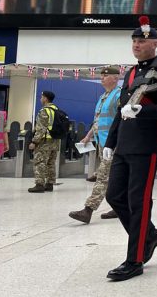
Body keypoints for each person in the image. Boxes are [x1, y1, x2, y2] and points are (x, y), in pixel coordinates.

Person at [103, 17, 157, 281]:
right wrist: (110, 142)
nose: (136, 44)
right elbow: (120, 112)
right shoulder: (132, 73)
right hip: (125, 142)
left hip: (147, 145)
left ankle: (134, 259)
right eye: (134, 40)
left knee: (138, 202)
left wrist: (142, 110)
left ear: (155, 44)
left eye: (142, 40)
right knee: (114, 196)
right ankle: (150, 235)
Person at [68, 66, 122, 223]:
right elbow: (98, 120)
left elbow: (122, 119)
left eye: (106, 76)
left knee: (103, 177)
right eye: (102, 76)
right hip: (101, 143)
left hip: (113, 144)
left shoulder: (119, 95)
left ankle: (88, 210)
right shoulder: (103, 96)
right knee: (112, 177)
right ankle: (119, 207)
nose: (102, 78)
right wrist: (88, 136)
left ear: (116, 78)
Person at [27, 91, 61, 193]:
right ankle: (49, 184)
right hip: (55, 141)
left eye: (41, 97)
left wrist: (34, 142)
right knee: (51, 163)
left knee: (40, 162)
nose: (40, 99)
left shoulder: (44, 111)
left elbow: (41, 128)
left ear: (45, 98)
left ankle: (39, 184)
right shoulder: (56, 110)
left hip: (44, 142)